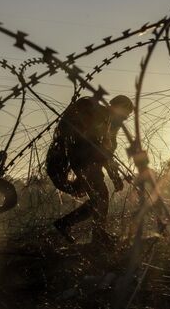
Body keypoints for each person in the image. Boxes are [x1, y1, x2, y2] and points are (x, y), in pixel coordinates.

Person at [47, 95, 133, 244]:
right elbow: (98, 147)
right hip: (84, 162)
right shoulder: (100, 115)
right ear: (118, 107)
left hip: (88, 162)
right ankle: (96, 235)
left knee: (98, 198)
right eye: (125, 114)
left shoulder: (109, 123)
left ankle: (66, 224)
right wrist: (113, 174)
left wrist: (115, 176)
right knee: (101, 197)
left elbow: (107, 155)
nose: (125, 119)